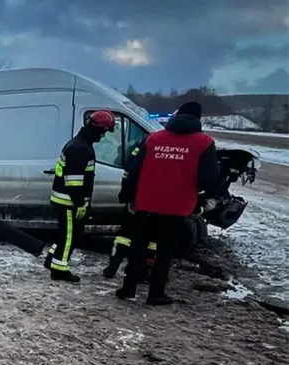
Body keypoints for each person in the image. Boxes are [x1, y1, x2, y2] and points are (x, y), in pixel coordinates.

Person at [115, 101, 219, 304]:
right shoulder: (204, 143)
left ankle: (128, 288)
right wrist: (200, 197)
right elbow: (208, 178)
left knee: (138, 246)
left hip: (145, 203)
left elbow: (133, 170)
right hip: (177, 207)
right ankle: (156, 293)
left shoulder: (153, 139)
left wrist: (128, 197)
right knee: (164, 251)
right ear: (198, 119)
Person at [44, 110, 117, 282]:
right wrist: (80, 204)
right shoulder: (80, 148)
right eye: (104, 131)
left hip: (66, 199)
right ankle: (59, 270)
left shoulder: (80, 144)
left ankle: (52, 260)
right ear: (97, 129)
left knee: (65, 234)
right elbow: (74, 181)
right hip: (68, 201)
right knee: (70, 236)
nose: (104, 136)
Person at [102, 203, 158, 279]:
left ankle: (113, 267)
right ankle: (146, 270)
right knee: (150, 241)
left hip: (138, 208)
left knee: (124, 237)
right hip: (153, 211)